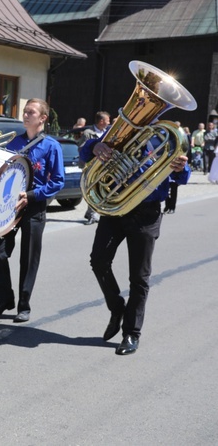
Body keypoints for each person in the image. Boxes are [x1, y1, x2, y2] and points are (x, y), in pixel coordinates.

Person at [79, 128, 190, 355]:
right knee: (98, 261)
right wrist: (94, 147)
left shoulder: (166, 136)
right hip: (115, 207)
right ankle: (117, 307)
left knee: (139, 277)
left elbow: (182, 177)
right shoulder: (121, 128)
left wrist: (182, 168)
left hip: (146, 213)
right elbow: (84, 154)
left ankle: (131, 333)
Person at [0, 98, 64, 323]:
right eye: (25, 111)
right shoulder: (14, 143)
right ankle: (4, 299)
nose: (26, 115)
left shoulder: (51, 146)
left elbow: (58, 181)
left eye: (31, 112)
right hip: (10, 207)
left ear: (42, 118)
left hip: (34, 206)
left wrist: (30, 196)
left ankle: (24, 304)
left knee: (28, 258)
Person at [77, 111, 110, 224]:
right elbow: (81, 147)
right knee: (91, 189)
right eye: (107, 120)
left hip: (103, 166)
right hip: (90, 166)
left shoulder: (107, 132)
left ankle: (91, 212)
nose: (109, 122)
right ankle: (92, 215)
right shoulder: (88, 132)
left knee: (99, 190)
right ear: (101, 121)